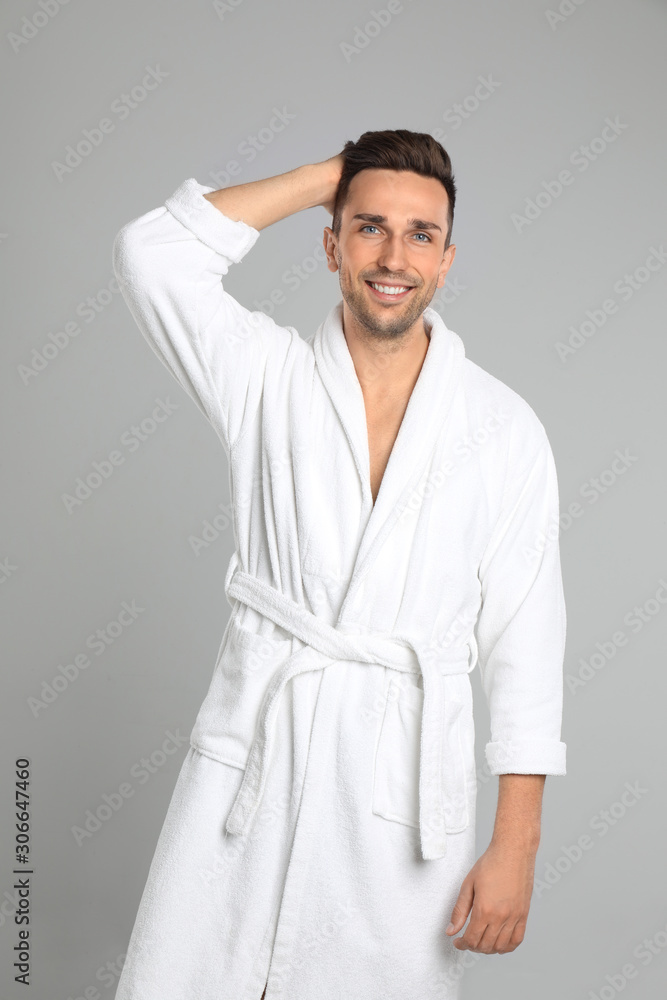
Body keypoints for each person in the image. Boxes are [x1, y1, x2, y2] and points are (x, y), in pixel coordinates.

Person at [111, 129, 567, 1000]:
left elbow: (525, 645)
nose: (393, 256)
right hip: (250, 755)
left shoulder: (502, 430)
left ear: (446, 258)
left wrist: (517, 845)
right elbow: (151, 255)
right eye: (367, 227)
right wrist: (330, 174)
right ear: (329, 242)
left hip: (394, 795)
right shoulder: (265, 377)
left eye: (420, 234)